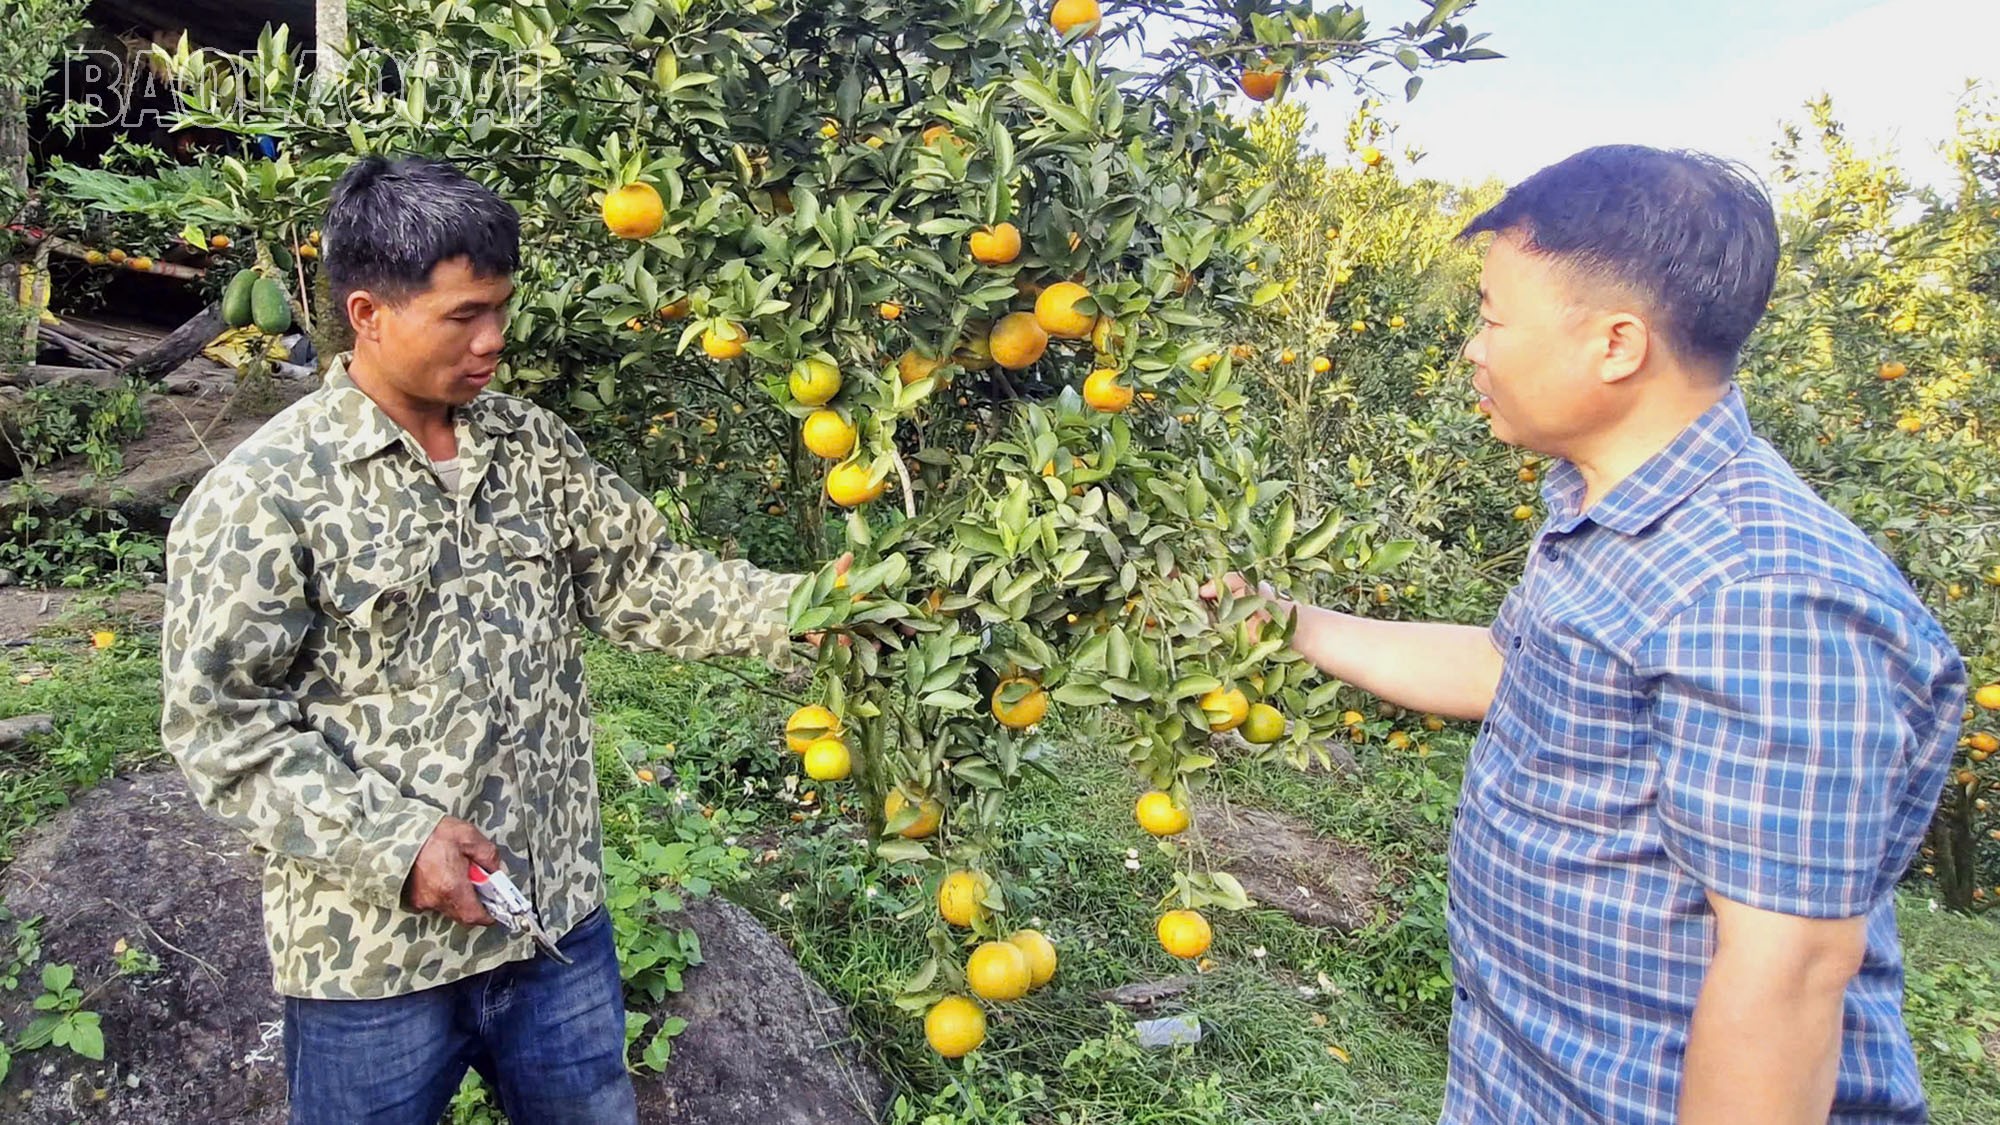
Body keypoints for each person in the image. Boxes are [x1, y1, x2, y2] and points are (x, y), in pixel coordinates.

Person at [1211, 145, 1964, 1123]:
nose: (1472, 350)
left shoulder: (1764, 596)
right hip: (1525, 1083)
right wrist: (1282, 620)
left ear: (1614, 345)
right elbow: (1504, 667)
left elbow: (1782, 984)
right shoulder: (1608, 511)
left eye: (1489, 318)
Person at [159, 155, 829, 1124]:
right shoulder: (265, 495)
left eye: (500, 310)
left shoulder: (529, 446)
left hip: (555, 926)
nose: (492, 342)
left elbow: (644, 578)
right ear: (367, 314)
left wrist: (815, 610)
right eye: (462, 316)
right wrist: (396, 844)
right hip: (373, 961)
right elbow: (221, 728)